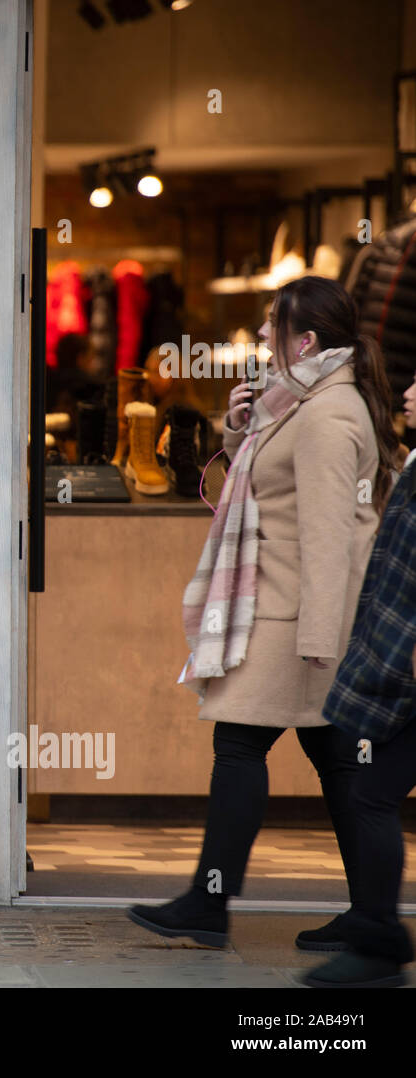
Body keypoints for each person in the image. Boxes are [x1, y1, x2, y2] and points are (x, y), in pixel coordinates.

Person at [128, 276, 404, 948]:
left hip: (300, 622)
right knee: (336, 760)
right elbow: (262, 489)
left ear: (305, 340)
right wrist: (239, 426)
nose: (259, 335)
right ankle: (371, 917)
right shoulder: (301, 404)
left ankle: (210, 901)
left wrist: (321, 637)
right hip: (294, 614)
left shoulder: (328, 416)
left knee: (239, 744)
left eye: (270, 324)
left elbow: (331, 534)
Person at [304, 371, 416, 988]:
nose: (406, 391)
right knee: (370, 791)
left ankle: (378, 944)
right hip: (397, 658)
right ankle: (377, 941)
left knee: (370, 793)